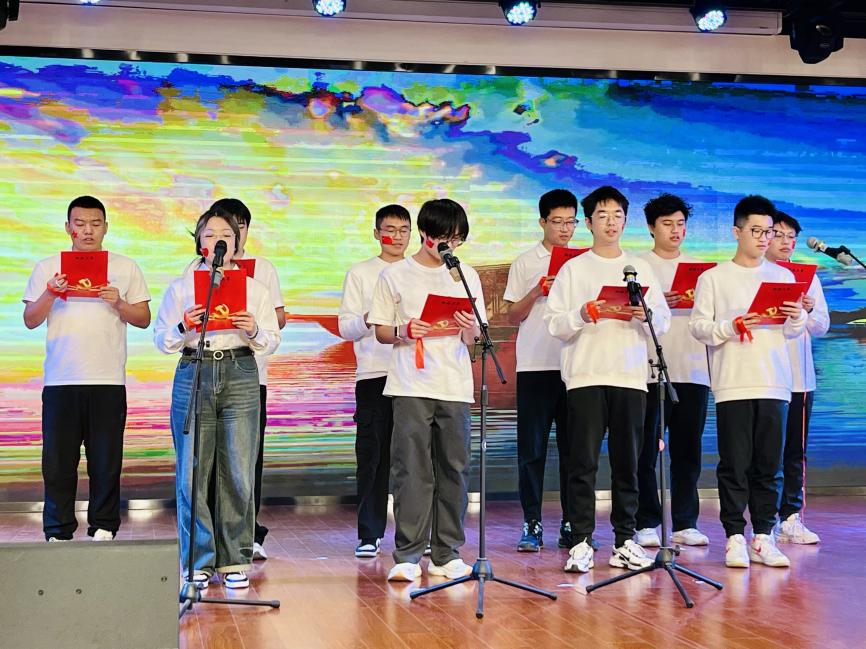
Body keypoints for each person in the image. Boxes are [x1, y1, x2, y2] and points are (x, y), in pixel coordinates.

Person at [545, 185, 670, 574]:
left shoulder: (639, 268)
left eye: (617, 215)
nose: (611, 222)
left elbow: (663, 322)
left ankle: (624, 540)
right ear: (588, 222)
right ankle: (581, 541)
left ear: (626, 221)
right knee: (582, 463)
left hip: (631, 377)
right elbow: (554, 324)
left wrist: (645, 314)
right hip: (585, 376)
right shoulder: (574, 269)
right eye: (602, 215)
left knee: (628, 464)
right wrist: (582, 314)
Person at [154, 207, 280, 589]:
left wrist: (253, 329)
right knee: (192, 470)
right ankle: (197, 560)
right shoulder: (181, 288)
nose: (218, 241)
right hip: (194, 369)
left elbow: (271, 340)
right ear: (200, 243)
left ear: (236, 244)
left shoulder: (255, 289)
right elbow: (162, 340)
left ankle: (234, 560)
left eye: (226, 235)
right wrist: (184, 325)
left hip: (240, 371)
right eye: (209, 235)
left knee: (238, 469)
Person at [368, 198, 484, 582]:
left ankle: (446, 553)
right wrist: (404, 331)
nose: (450, 246)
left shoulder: (465, 275)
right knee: (411, 469)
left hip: (455, 384)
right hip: (411, 384)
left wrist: (469, 327)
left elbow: (475, 337)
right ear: (424, 234)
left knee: (454, 468)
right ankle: (408, 554)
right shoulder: (395, 275)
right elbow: (381, 330)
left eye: (457, 239)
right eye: (444, 238)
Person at [23, 195, 151, 542]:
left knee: (105, 461)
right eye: (80, 224)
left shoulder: (125, 267)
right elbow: (30, 319)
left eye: (95, 224)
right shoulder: (47, 267)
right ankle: (58, 530)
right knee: (58, 462)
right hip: (61, 379)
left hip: (107, 379)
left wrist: (118, 302)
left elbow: (143, 318)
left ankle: (104, 526)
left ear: (106, 227)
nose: (88, 230)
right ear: (68, 227)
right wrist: (51, 293)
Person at [689, 195, 806, 569]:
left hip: (775, 381)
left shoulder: (783, 277)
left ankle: (764, 536)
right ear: (736, 232)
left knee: (770, 466)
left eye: (768, 232)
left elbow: (793, 332)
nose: (764, 238)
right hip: (733, 383)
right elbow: (699, 327)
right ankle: (734, 537)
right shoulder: (714, 278)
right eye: (756, 231)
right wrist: (732, 325)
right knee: (734, 464)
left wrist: (796, 316)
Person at [207, 198, 286, 561]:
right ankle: (208, 537)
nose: (232, 234)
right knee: (208, 460)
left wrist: (251, 311)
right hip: (207, 372)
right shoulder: (197, 270)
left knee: (246, 460)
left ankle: (247, 533)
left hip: (251, 374)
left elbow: (278, 320)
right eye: (221, 227)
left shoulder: (262, 269)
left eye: (239, 226)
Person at [634, 194, 711, 548]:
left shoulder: (703, 272)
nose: (675, 230)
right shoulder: (638, 267)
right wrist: (660, 301)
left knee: (687, 451)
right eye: (667, 224)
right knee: (646, 451)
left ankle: (685, 521)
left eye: (680, 224)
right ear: (652, 227)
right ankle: (646, 521)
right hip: (649, 371)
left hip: (693, 368)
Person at [503, 189, 578, 552]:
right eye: (557, 222)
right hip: (535, 365)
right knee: (531, 450)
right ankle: (531, 523)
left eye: (571, 222)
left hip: (575, 366)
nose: (565, 229)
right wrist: (536, 291)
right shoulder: (525, 262)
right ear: (542, 222)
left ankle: (572, 522)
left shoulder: (584, 263)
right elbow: (511, 315)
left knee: (574, 451)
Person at [338, 204, 412, 558]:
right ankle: (369, 533)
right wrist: (372, 316)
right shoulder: (361, 273)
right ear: (376, 233)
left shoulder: (420, 271)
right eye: (390, 230)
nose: (397, 237)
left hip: (414, 375)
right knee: (372, 457)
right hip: (374, 374)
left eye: (403, 230)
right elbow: (345, 327)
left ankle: (415, 533)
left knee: (413, 458)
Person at [765, 210, 829, 544]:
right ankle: (762, 521)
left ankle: (790, 517)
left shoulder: (807, 277)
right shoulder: (754, 275)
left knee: (794, 452)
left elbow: (822, 326)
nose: (786, 242)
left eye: (791, 237)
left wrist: (808, 309)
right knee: (764, 453)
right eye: (778, 234)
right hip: (763, 377)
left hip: (799, 379)